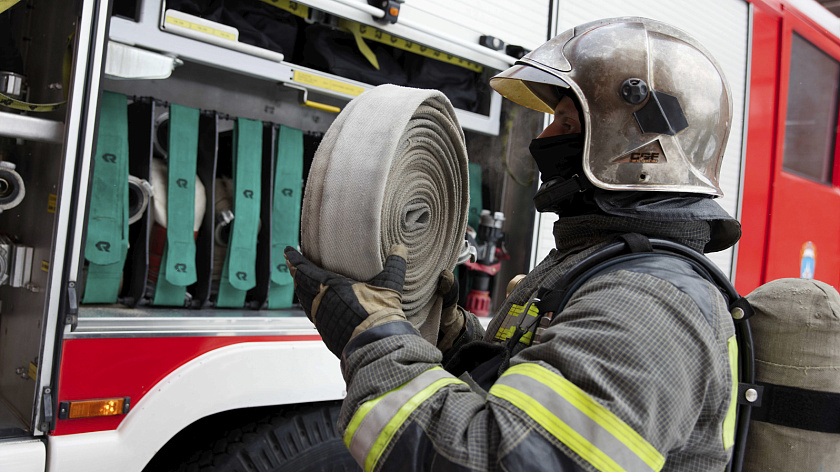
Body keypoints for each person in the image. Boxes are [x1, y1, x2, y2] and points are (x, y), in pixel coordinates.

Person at [285, 17, 742, 472]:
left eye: (564, 122)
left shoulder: (649, 304)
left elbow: (504, 459)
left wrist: (373, 340)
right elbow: (524, 395)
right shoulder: (603, 264)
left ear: (639, 150)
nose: (542, 140)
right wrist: (456, 343)